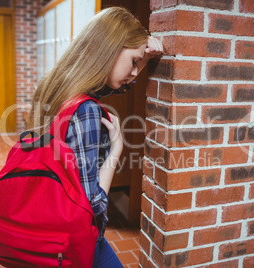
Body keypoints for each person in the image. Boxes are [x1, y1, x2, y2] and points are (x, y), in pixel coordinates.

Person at [27, 6, 163, 268]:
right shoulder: (87, 110)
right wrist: (116, 149)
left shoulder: (55, 85)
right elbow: (92, 204)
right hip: (79, 240)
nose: (135, 73)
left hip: (47, 227)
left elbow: (113, 85)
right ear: (109, 49)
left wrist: (142, 59)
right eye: (133, 61)